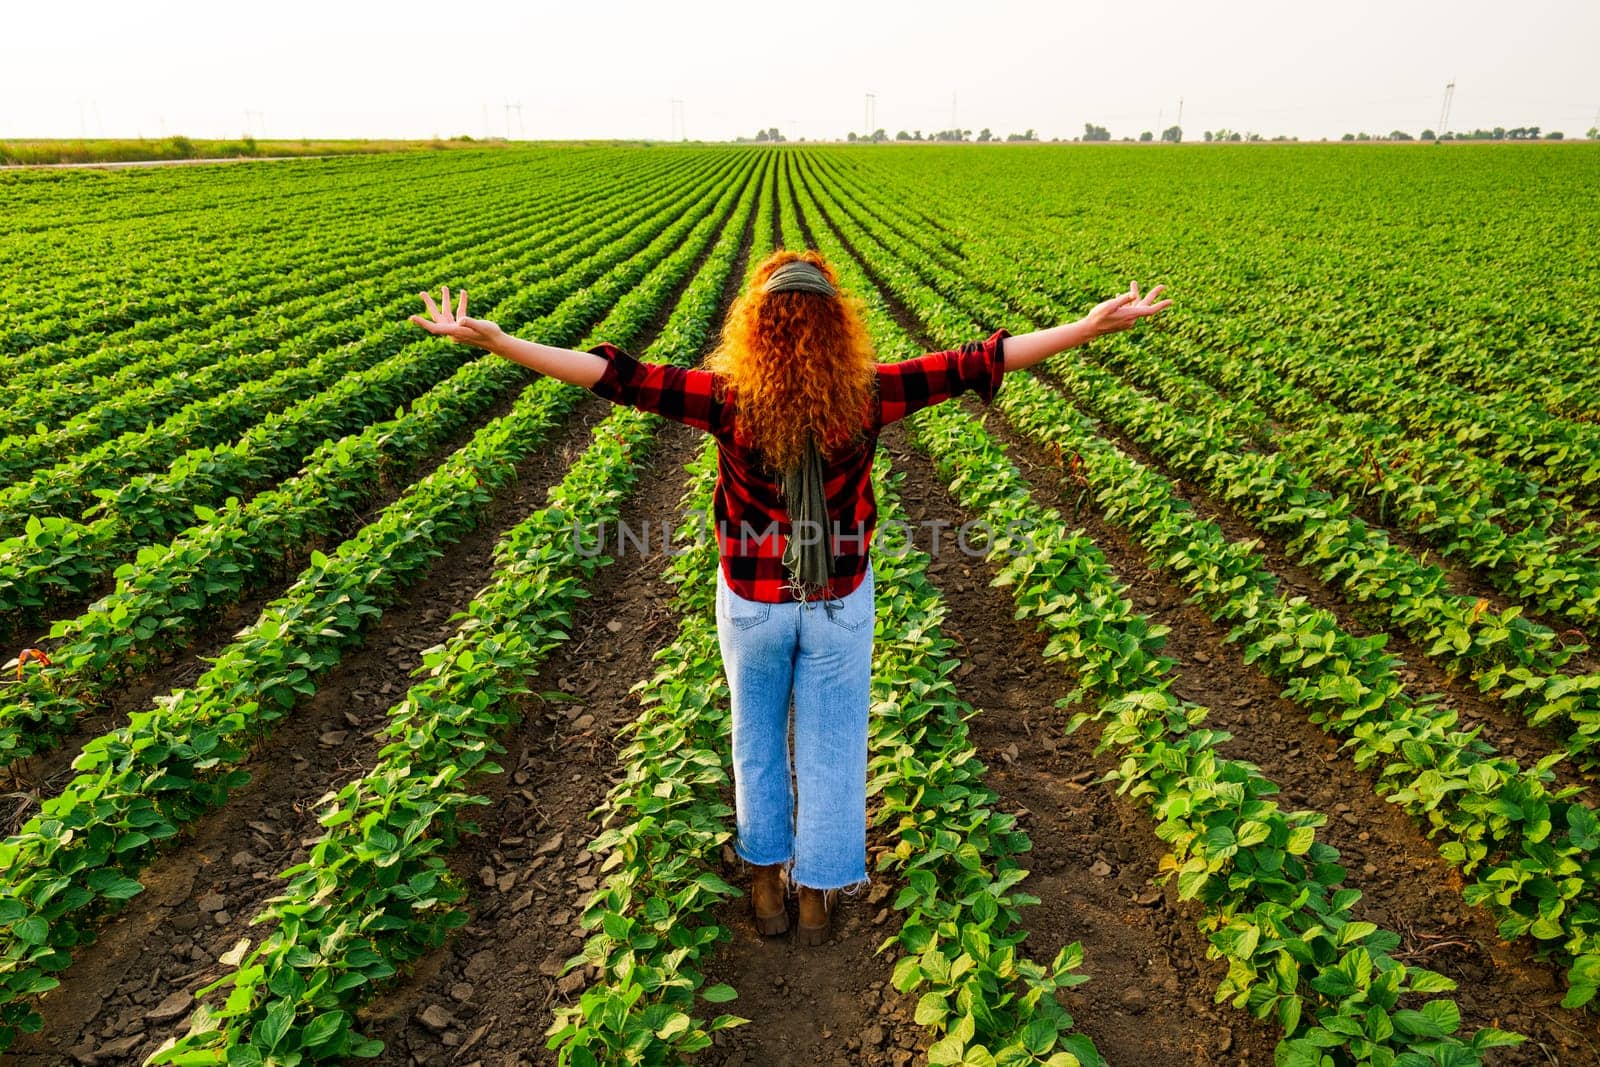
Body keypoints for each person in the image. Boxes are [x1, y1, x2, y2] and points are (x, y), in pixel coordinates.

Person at [410, 250, 1170, 945]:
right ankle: (816, 898)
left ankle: (766, 886)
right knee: (834, 751)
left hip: (751, 601)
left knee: (755, 738)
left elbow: (619, 375)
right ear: (839, 327)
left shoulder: (725, 399)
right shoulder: (869, 395)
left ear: (756, 328)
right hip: (840, 599)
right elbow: (981, 360)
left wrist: (502, 342)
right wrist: (1087, 326)